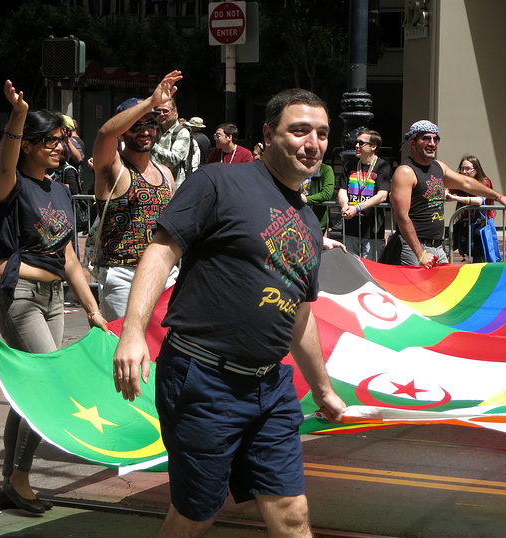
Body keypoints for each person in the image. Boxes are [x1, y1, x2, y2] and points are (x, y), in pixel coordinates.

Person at [113, 88, 345, 537]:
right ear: (268, 135)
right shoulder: (219, 182)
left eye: (321, 133)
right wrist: (133, 333)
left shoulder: (310, 223)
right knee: (196, 513)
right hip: (203, 380)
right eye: (299, 130)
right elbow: (161, 252)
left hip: (271, 387)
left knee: (292, 511)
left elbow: (298, 311)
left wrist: (323, 389)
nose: (311, 143)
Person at [0, 80, 108, 514]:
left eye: (63, 139)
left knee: (27, 393)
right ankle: (20, 479)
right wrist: (18, 113)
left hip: (55, 299)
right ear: (29, 145)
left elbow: (71, 258)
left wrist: (92, 310)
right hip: (19, 296)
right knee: (48, 387)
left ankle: (9, 480)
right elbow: (5, 158)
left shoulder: (58, 189)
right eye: (51, 140)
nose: (61, 147)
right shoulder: (10, 183)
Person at [92, 71, 181, 322]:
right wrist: (151, 102)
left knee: (163, 352)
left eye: (151, 124)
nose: (145, 131)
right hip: (123, 275)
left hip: (163, 273)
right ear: (123, 131)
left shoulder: (165, 174)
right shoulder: (113, 169)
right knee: (126, 353)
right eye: (136, 125)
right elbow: (104, 135)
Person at [390, 120, 506, 268]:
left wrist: (499, 197)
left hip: (437, 246)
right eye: (426, 138)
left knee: (443, 288)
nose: (432, 143)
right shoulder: (405, 171)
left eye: (435, 138)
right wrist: (420, 253)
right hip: (413, 248)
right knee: (416, 290)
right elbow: (402, 216)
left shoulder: (439, 167)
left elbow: (467, 183)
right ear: (412, 143)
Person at [338, 129, 391, 260]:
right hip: (350, 227)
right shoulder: (350, 165)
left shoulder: (382, 166)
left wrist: (357, 208)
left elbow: (382, 195)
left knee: (370, 269)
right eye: (356, 142)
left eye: (361, 143)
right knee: (351, 266)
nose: (356, 146)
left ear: (373, 146)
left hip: (372, 230)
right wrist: (345, 205)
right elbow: (342, 190)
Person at [447, 154, 495, 262]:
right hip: (467, 223)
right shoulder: (461, 182)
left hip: (482, 225)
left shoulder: (484, 182)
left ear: (476, 170)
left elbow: (479, 200)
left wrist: (456, 198)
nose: (464, 172)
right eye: (462, 169)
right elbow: (448, 191)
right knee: (457, 246)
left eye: (468, 169)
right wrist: (445, 194)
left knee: (480, 257)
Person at [150, 97, 200, 188]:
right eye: (158, 111)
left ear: (174, 111)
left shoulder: (182, 132)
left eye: (165, 111)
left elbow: (174, 159)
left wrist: (151, 145)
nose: (161, 114)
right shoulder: (155, 130)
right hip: (154, 184)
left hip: (173, 187)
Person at [301, 162, 335, 233]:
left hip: (317, 222)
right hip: (297, 220)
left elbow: (327, 194)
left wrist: (306, 199)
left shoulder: (325, 169)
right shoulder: (296, 168)